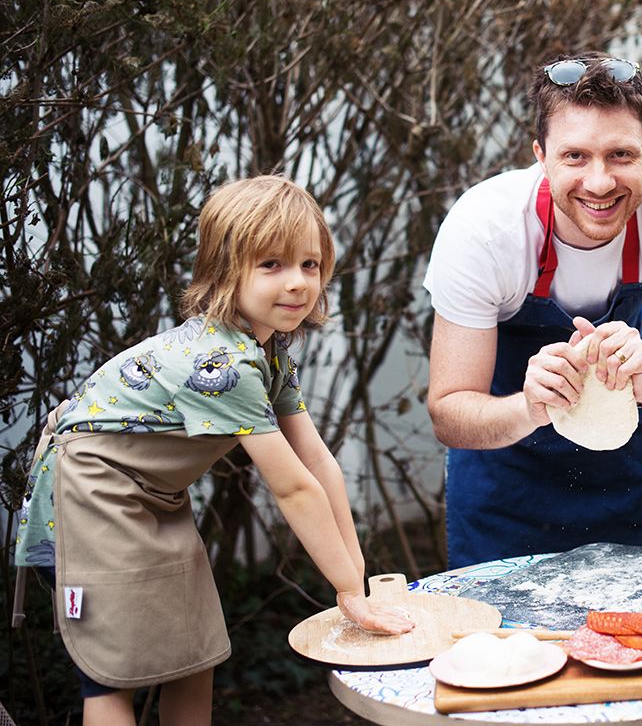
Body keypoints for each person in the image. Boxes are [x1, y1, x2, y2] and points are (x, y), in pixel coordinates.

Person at [13, 176, 411, 725]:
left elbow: (317, 464)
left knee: (191, 656)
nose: (297, 283)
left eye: (310, 265)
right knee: (111, 673)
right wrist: (347, 591)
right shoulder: (221, 364)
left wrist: (357, 580)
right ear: (226, 272)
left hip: (153, 497)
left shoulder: (265, 353)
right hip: (91, 496)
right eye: (271, 265)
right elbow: (292, 487)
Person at [424, 51, 642, 569]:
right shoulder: (484, 231)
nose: (599, 183)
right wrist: (530, 406)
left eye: (620, 155)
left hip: (633, 488)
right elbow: (449, 413)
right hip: (506, 493)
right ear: (540, 156)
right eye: (574, 157)